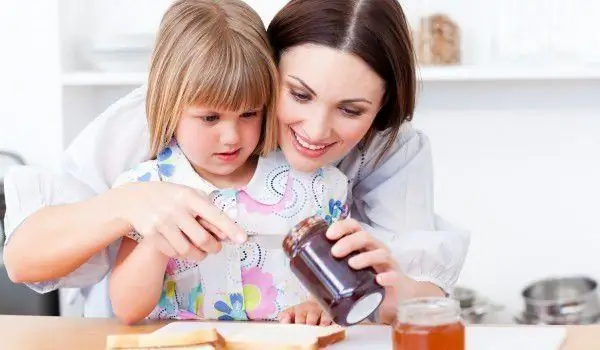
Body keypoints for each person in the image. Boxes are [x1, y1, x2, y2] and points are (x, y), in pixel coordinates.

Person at [3, 0, 469, 325]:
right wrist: (131, 205)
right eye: (299, 94)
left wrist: (379, 284)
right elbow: (26, 261)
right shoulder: (158, 120)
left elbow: (413, 299)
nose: (317, 129)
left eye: (352, 110)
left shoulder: (365, 163)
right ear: (268, 70)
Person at [108, 0, 348, 325]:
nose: (232, 137)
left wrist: (320, 307)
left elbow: (341, 293)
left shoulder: (317, 187)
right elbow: (127, 309)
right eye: (210, 117)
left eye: (249, 114)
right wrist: (157, 244)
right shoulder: (148, 190)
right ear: (169, 104)